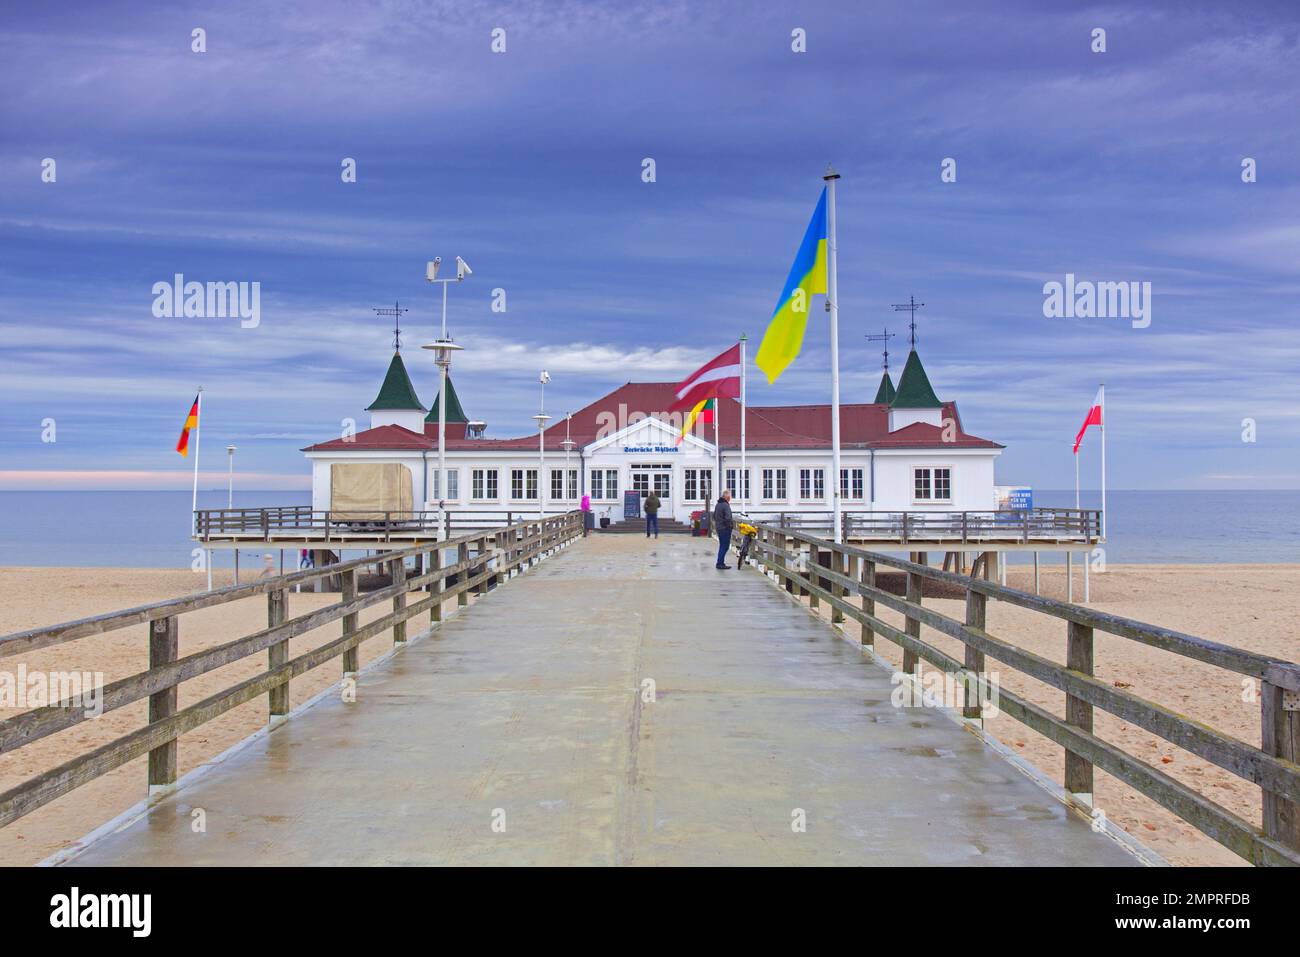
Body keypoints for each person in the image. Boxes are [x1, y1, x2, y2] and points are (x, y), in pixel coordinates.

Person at [713, 489, 734, 569]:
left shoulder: (718, 505)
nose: (730, 498)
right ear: (727, 497)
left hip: (719, 528)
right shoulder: (725, 505)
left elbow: (714, 516)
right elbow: (728, 518)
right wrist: (730, 527)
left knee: (722, 545)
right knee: (725, 546)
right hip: (725, 529)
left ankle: (720, 562)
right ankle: (720, 563)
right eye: (729, 497)